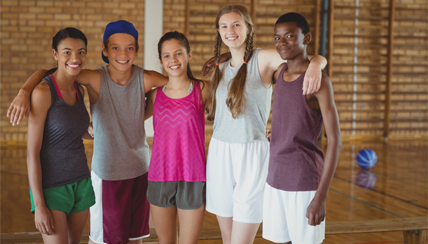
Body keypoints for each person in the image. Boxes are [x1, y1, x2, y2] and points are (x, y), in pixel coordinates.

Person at [7, 20, 168, 244]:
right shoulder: (84, 80)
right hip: (88, 178)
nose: (123, 54)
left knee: (132, 239)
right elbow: (53, 72)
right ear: (104, 50)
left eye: (129, 47)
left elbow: (176, 85)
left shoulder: (139, 79)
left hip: (113, 175)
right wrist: (25, 90)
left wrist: (139, 113)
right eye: (115, 47)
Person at [203, 5, 327, 244]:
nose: (230, 31)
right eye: (224, 26)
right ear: (218, 31)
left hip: (252, 153)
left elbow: (308, 56)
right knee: (228, 240)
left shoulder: (263, 58)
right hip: (219, 153)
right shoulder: (219, 67)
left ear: (248, 28)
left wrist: (316, 66)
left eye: (236, 24)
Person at [263, 12, 342, 244]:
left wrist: (321, 196)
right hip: (275, 179)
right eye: (277, 38)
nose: (281, 43)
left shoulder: (318, 82)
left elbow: (336, 141)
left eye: (289, 36)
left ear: (306, 38)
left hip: (304, 182)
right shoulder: (279, 73)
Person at [27, 27, 95, 243]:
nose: (75, 58)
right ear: (55, 54)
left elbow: (72, 130)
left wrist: (93, 131)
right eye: (67, 52)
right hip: (52, 187)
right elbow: (31, 153)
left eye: (81, 52)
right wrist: (39, 204)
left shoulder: (79, 90)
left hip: (81, 181)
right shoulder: (43, 92)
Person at [144, 31, 209, 244]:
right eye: (166, 55)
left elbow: (230, 114)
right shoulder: (155, 95)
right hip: (159, 175)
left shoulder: (203, 90)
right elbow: (127, 119)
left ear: (189, 55)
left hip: (193, 175)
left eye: (178, 53)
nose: (173, 59)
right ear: (161, 61)